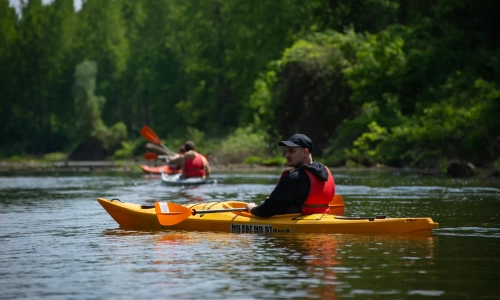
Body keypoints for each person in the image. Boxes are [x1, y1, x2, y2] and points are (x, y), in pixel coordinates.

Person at [246, 134, 335, 217]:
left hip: (302, 224)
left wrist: (253, 209)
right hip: (324, 216)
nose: (286, 155)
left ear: (305, 152)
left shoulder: (294, 178)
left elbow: (266, 210)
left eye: (291, 151)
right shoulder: (325, 171)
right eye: (286, 151)